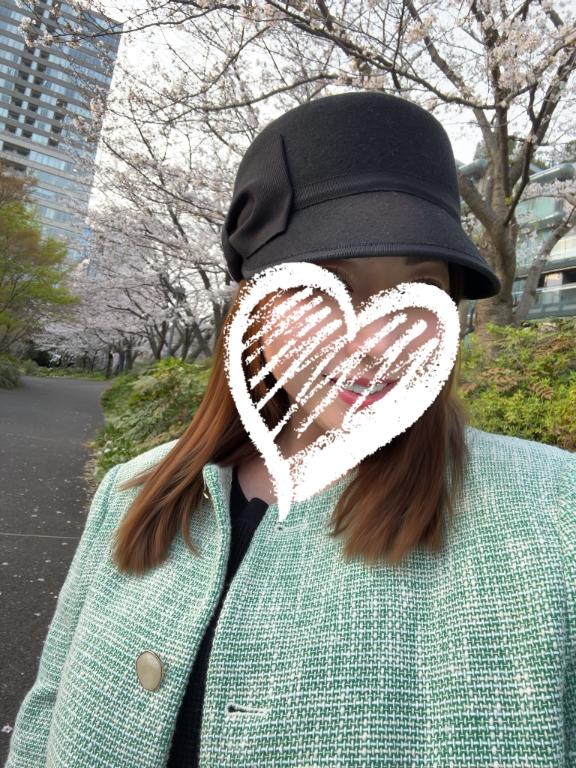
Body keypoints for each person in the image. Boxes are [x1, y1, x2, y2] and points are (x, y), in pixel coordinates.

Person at [5, 93, 575, 768]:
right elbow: (46, 713)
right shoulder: (133, 490)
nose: (377, 342)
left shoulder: (555, 514)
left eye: (419, 288)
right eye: (326, 286)